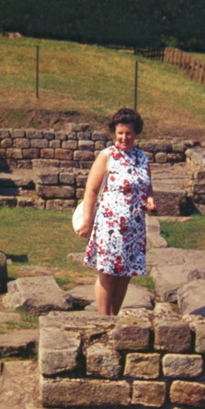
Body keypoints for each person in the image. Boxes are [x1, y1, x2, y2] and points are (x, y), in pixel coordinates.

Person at [78, 108, 157, 315]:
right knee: (107, 272)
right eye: (120, 133)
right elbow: (91, 190)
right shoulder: (107, 156)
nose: (124, 137)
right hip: (110, 226)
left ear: (136, 133)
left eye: (128, 133)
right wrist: (87, 220)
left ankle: (114, 316)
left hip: (134, 227)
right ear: (114, 132)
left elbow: (147, 187)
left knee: (125, 274)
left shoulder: (142, 158)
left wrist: (149, 198)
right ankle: (103, 319)